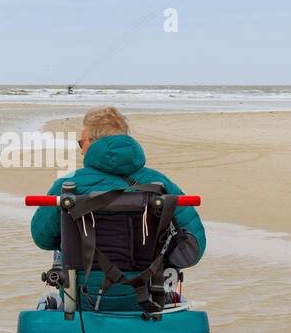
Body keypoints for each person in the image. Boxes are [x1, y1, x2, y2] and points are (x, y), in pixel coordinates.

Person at [30, 106, 206, 310]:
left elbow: (42, 238)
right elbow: (194, 248)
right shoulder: (160, 185)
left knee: (62, 233)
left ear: (94, 144)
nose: (81, 149)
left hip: (81, 297)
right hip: (148, 296)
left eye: (82, 142)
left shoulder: (69, 184)